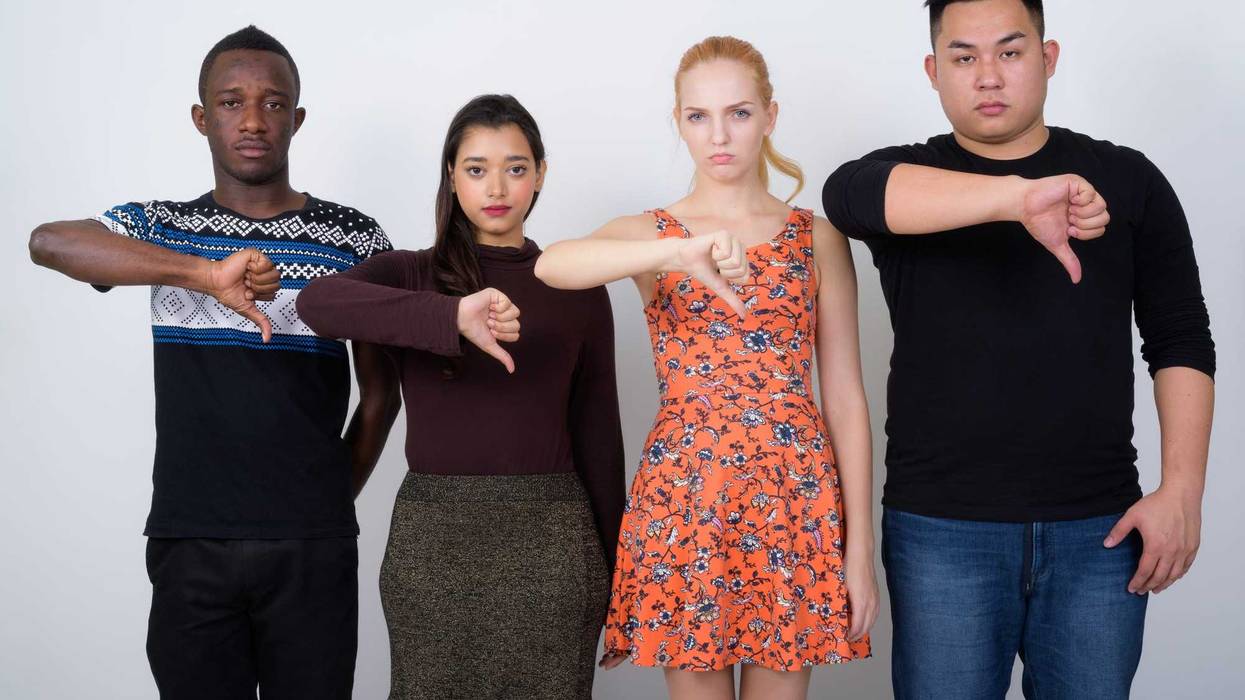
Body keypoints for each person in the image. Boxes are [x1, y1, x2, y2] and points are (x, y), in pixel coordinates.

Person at [821, 1, 1216, 698]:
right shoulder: (906, 177)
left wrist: (1181, 491)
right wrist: (1019, 198)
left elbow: (1179, 337)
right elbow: (847, 195)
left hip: (1099, 530)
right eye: (962, 57)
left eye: (1009, 51)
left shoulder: (1127, 180)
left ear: (1048, 57)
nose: (987, 76)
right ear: (932, 72)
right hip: (941, 531)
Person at [27, 25, 399, 700]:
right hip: (190, 539)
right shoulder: (159, 226)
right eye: (231, 102)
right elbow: (50, 242)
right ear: (201, 118)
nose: (253, 119)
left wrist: (322, 500)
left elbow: (381, 395)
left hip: (310, 545)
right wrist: (202, 273)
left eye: (274, 102)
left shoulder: (353, 236)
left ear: (298, 118)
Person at [535, 36, 875, 700]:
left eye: (739, 113)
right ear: (678, 122)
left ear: (769, 116)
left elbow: (845, 399)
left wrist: (858, 550)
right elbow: (553, 266)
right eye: (698, 116)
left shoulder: (817, 237)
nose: (718, 134)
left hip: (794, 503)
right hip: (687, 501)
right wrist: (674, 254)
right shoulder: (656, 232)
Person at [296, 93, 625, 700]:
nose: (496, 186)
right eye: (476, 169)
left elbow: (600, 437)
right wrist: (450, 318)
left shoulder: (577, 282)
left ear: (541, 174)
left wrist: (623, 581)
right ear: (451, 175)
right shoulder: (409, 273)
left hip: (553, 545)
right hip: (433, 539)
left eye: (516, 167)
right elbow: (316, 303)